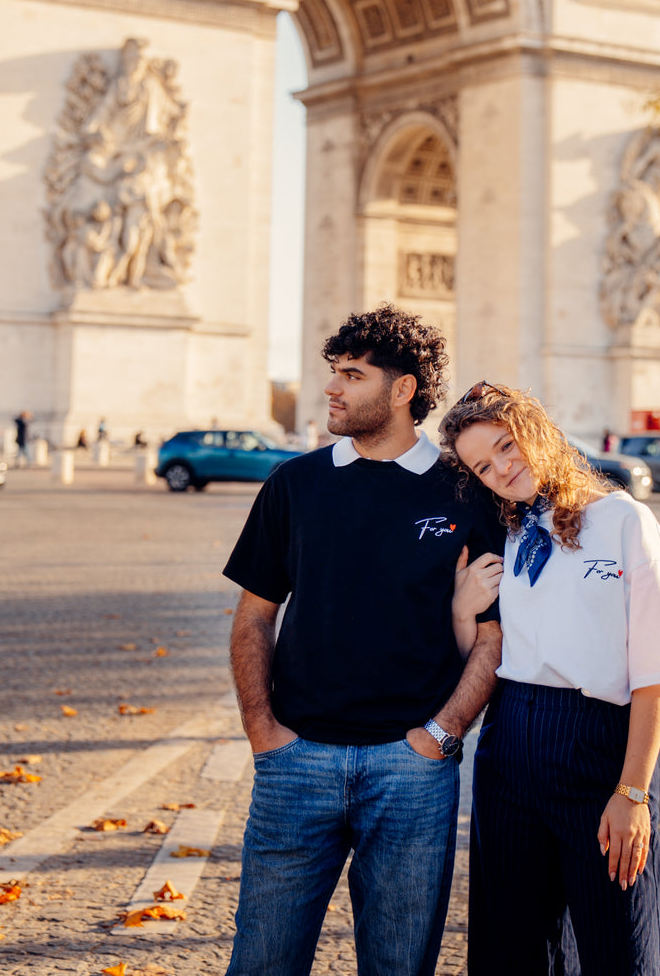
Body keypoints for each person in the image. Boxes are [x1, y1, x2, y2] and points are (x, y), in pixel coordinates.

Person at [223, 305, 504, 976]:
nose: (332, 387)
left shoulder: (469, 495)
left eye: (352, 374)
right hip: (296, 765)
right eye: (334, 372)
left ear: (403, 389)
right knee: (260, 965)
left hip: (413, 772)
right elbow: (253, 615)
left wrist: (442, 734)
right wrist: (263, 730)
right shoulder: (294, 483)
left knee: (399, 969)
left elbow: (494, 640)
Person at [442, 383, 660, 976]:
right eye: (483, 465)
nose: (501, 468)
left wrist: (632, 793)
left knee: (617, 952)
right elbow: (487, 657)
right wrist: (460, 608)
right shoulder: (510, 534)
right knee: (509, 952)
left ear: (537, 433)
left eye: (506, 446)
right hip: (509, 750)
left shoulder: (627, 521)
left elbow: (656, 676)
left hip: (598, 747)